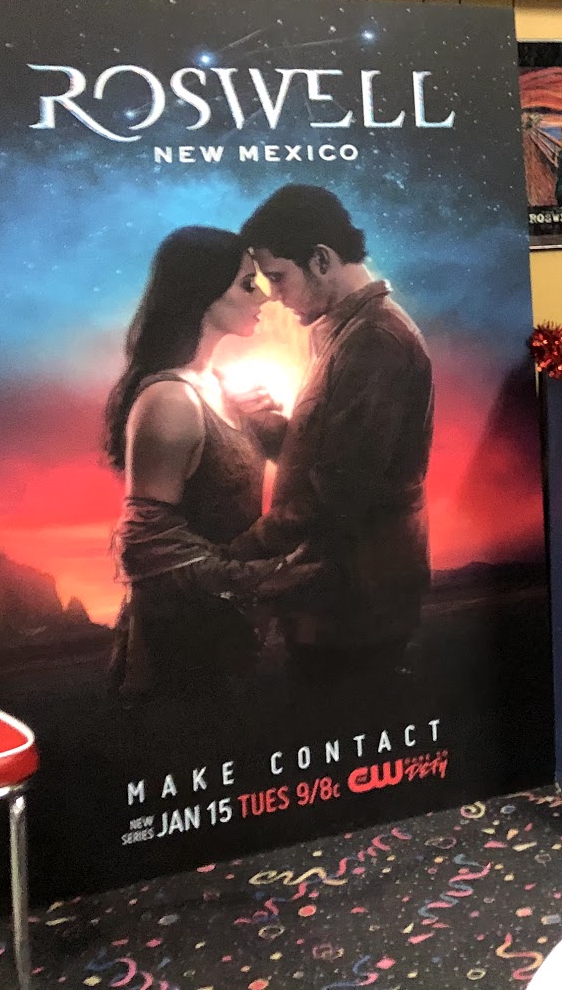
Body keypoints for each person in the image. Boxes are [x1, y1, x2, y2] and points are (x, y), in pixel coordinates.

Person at [232, 184, 435, 699]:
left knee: (347, 715)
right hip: (343, 591)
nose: (273, 294)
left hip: (358, 599)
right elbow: (331, 457)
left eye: (278, 276)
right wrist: (268, 427)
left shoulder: (373, 340)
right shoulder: (345, 332)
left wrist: (236, 553)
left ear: (321, 260)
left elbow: (340, 489)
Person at [103, 226, 314, 703]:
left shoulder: (216, 385)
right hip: (180, 648)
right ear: (202, 294)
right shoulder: (170, 399)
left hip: (225, 634)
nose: (265, 296)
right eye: (247, 284)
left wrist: (267, 430)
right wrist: (269, 577)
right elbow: (149, 548)